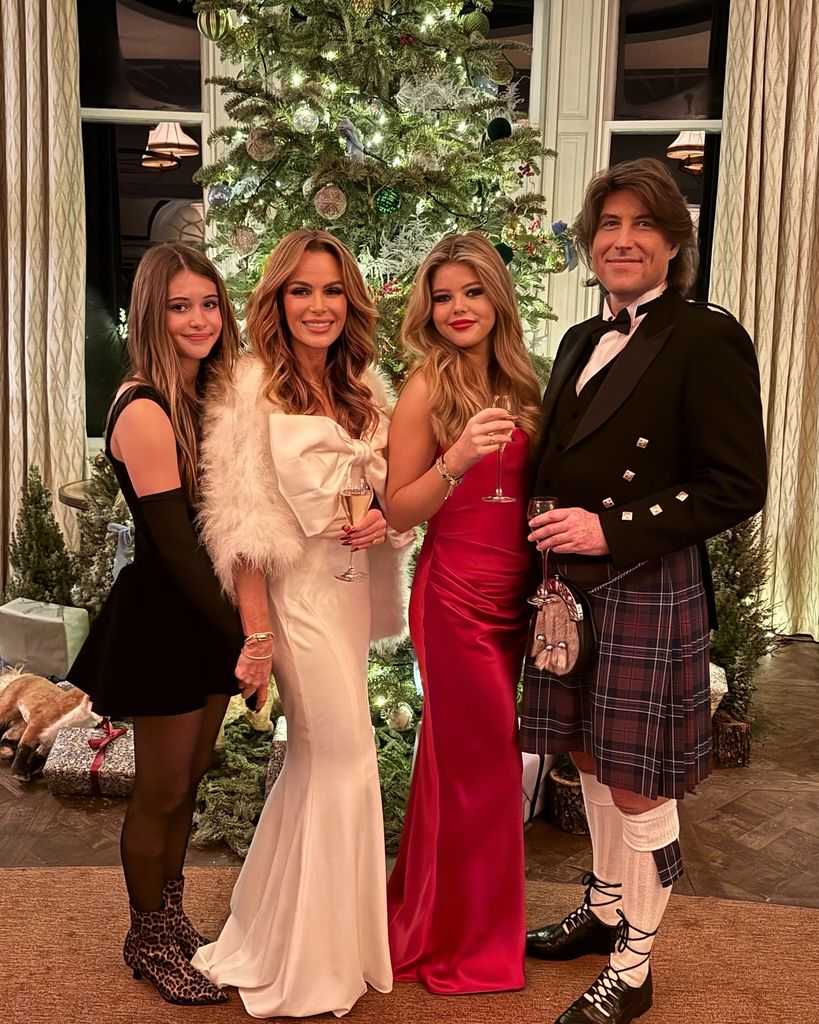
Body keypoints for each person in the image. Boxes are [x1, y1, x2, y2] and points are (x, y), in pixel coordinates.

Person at [521, 158, 767, 1024]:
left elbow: (737, 483)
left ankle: (634, 965)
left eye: (640, 226)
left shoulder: (705, 337)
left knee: (638, 780)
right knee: (585, 755)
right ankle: (604, 906)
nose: (621, 240)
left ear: (671, 244)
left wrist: (611, 528)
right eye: (607, 226)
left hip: (642, 579)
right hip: (567, 591)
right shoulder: (581, 340)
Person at [191, 229, 414, 1018]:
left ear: (349, 300)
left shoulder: (366, 385)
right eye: (300, 291)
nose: (317, 306)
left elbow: (396, 494)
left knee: (316, 765)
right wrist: (257, 634)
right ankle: (310, 958)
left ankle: (291, 930)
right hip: (295, 597)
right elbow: (240, 524)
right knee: (344, 757)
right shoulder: (251, 385)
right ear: (277, 301)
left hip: (350, 588)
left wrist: (385, 517)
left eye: (329, 290)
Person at [68, 243, 245, 1006]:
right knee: (161, 793)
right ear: (150, 314)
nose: (198, 319)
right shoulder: (143, 407)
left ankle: (172, 924)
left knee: (188, 782)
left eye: (208, 303)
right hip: (168, 617)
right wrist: (252, 638)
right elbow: (175, 547)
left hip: (205, 613)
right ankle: (146, 938)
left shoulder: (203, 395)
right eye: (180, 306)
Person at [384, 232, 542, 993]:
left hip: (522, 597)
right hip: (453, 598)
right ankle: (472, 948)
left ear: (496, 299)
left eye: (471, 292)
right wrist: (457, 460)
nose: (456, 309)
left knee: (452, 765)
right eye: (442, 296)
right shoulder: (425, 388)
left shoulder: (529, 383)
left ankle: (431, 913)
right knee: (486, 766)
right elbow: (395, 508)